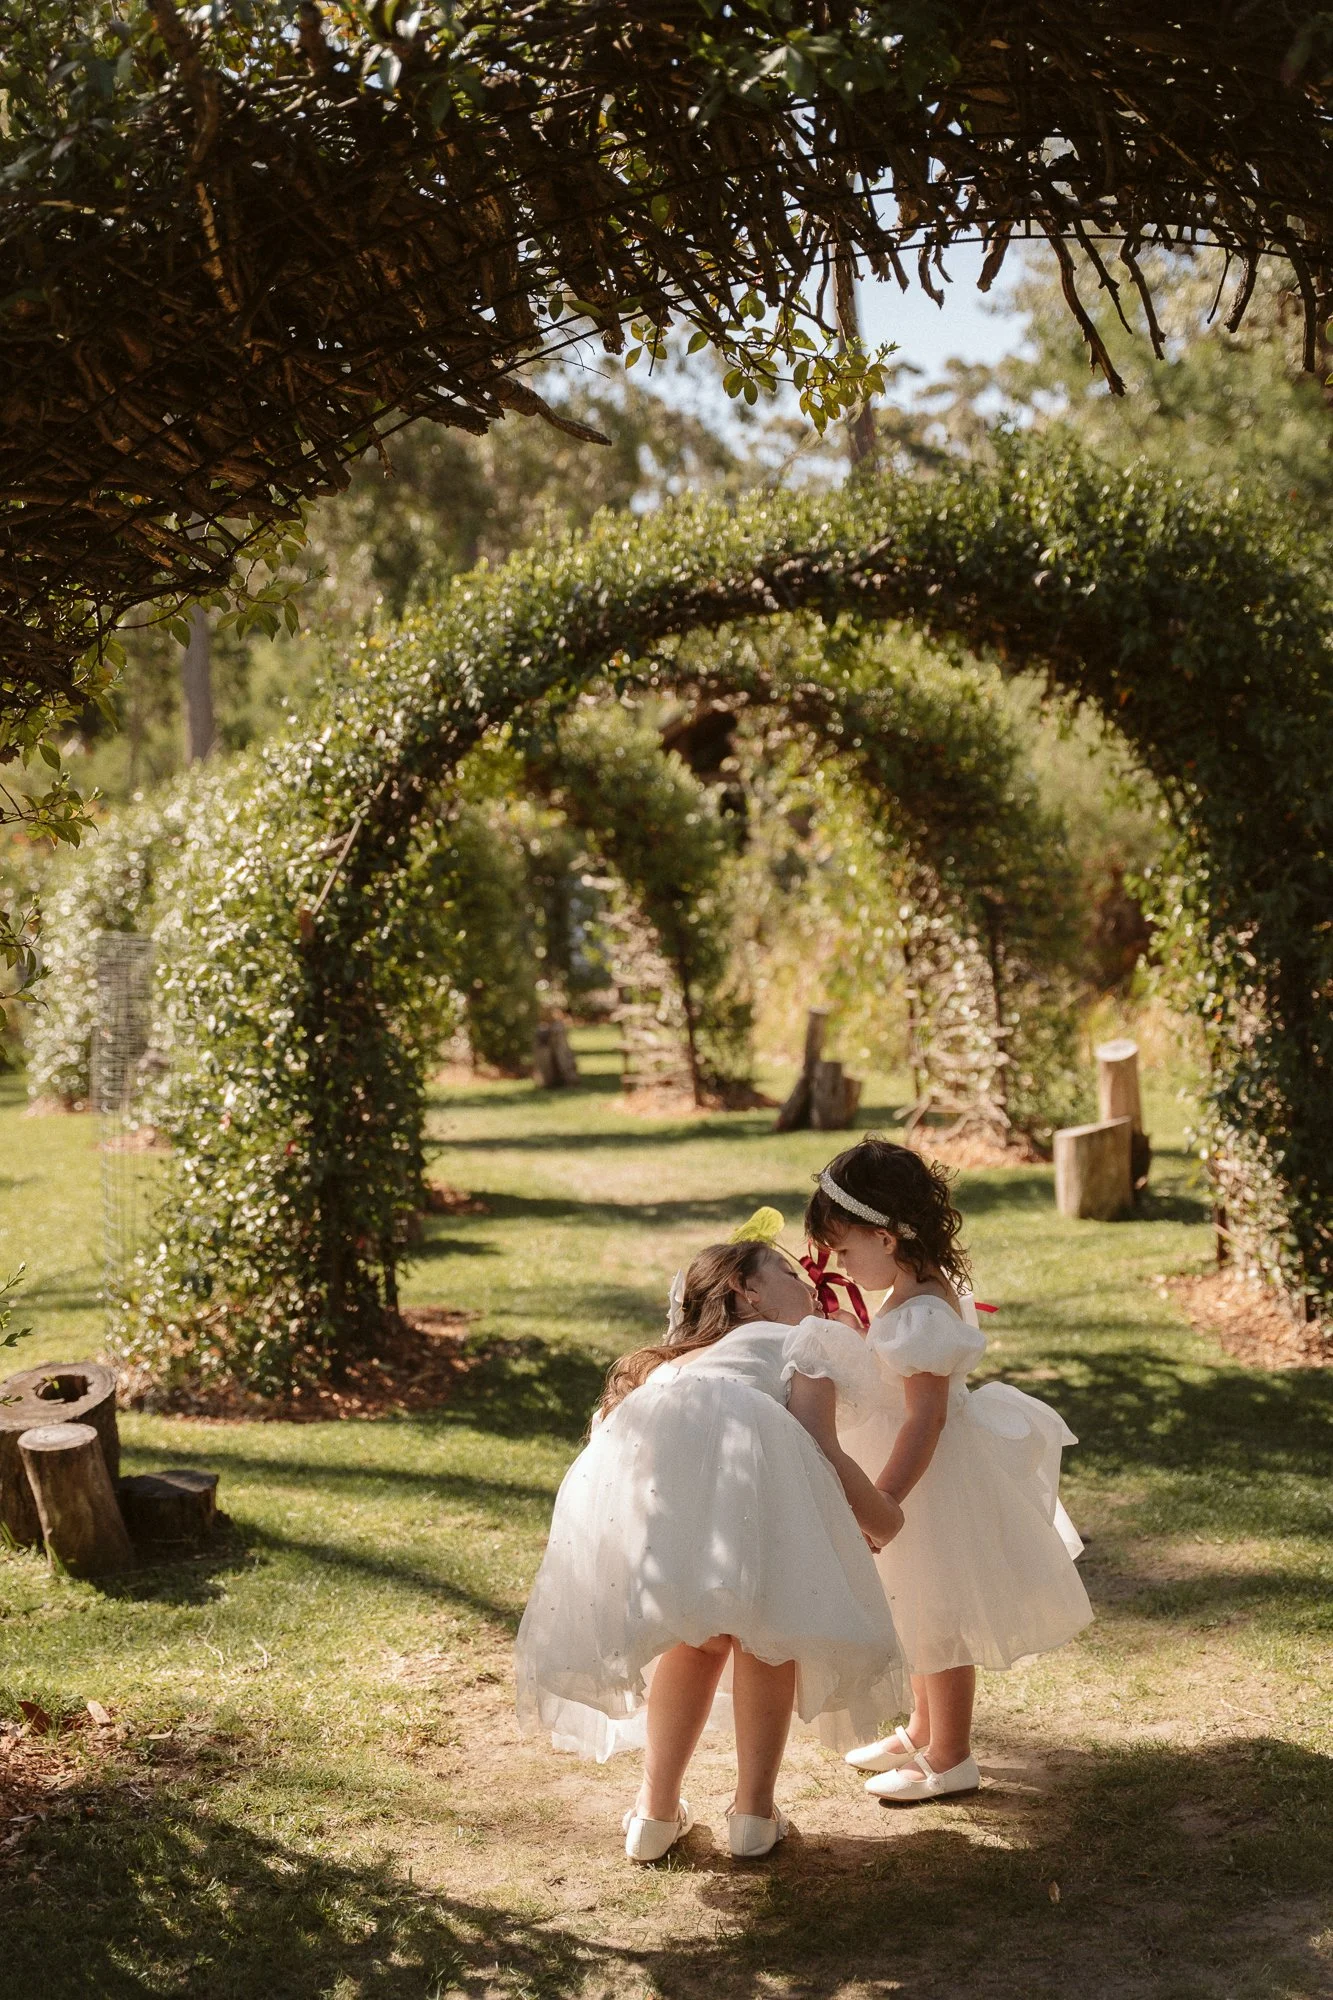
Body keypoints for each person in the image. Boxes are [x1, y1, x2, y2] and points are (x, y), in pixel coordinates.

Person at [514, 1230, 907, 1863]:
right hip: (747, 1477)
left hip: (666, 1492)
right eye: (785, 1270)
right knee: (768, 1639)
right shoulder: (806, 1339)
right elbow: (819, 1446)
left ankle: (654, 1812)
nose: (808, 1280)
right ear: (745, 1291)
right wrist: (882, 1520)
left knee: (697, 1640)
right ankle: (752, 1814)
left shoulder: (675, 1367)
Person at [804, 1137, 1093, 1804]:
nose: (840, 1263)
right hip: (914, 1472)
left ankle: (951, 1754)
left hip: (925, 1482)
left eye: (845, 1250)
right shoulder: (913, 1286)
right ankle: (919, 1728)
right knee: (914, 1608)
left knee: (940, 1616)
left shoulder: (924, 1314)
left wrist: (884, 1501)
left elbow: (924, 1419)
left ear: (885, 1235)